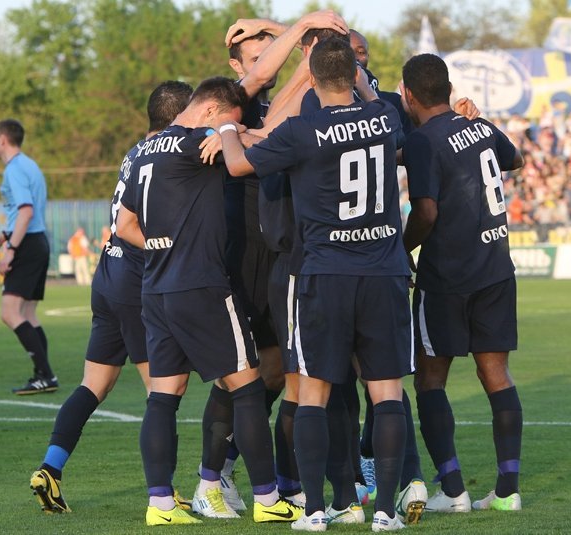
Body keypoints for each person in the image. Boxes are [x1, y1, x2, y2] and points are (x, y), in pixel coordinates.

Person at [220, 37, 415, 532]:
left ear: (311, 77)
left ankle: (313, 511)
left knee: (313, 392)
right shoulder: (384, 119)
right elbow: (384, 116)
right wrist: (366, 88)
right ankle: (386, 512)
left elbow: (238, 164)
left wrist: (225, 127)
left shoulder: (302, 130)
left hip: (325, 274)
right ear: (354, 73)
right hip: (384, 272)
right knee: (386, 392)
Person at [116, 76, 304, 526]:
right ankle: (267, 498)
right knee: (248, 386)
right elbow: (257, 147)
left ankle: (161, 505)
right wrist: (233, 133)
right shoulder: (197, 140)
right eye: (228, 122)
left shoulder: (142, 151)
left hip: (156, 287)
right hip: (201, 285)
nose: (228, 131)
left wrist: (166, 247)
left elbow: (124, 225)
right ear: (210, 111)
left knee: (164, 395)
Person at [194, 10, 348, 518]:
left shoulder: (294, 100)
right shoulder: (235, 101)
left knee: (281, 371)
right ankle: (211, 479)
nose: (270, 60)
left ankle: (275, 477)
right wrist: (301, 27)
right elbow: (264, 78)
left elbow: (313, 67)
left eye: (274, 47)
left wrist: (296, 38)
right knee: (238, 374)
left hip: (283, 251)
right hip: (241, 252)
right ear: (237, 64)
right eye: (258, 53)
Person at [28, 81, 194, 515]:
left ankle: (50, 468)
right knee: (163, 392)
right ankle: (164, 491)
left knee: (93, 385)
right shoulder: (168, 154)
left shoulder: (135, 152)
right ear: (182, 116)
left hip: (108, 276)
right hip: (136, 282)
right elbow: (138, 225)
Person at [400, 53, 525, 514]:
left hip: (446, 277)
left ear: (408, 95)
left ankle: (454, 492)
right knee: (496, 374)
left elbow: (426, 211)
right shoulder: (480, 126)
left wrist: (400, 248)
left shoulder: (422, 139)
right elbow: (517, 158)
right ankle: (507, 491)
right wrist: (480, 119)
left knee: (430, 380)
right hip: (495, 268)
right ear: (450, 89)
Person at [0, 119, 57, 395]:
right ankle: (43, 374)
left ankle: (45, 375)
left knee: (9, 312)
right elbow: (26, 215)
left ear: (2, 139)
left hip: (27, 245)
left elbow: (26, 212)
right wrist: (4, 236)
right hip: (36, 241)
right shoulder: (30, 165)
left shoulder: (14, 169)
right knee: (27, 313)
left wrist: (11, 249)